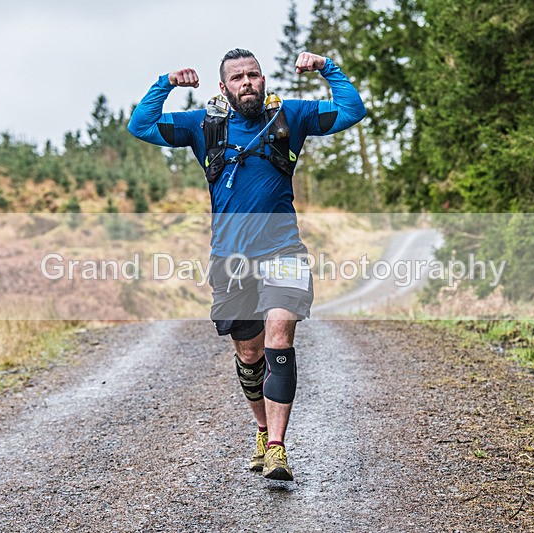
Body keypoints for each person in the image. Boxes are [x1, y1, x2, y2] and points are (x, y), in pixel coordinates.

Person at [128, 48, 365, 480]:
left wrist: (327, 67)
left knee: (278, 338)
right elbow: (140, 125)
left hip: (284, 252)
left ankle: (277, 447)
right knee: (250, 352)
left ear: (264, 80)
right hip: (231, 261)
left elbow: (352, 110)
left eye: (253, 75)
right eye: (237, 78)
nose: (247, 83)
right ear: (224, 88)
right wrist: (166, 82)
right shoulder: (204, 126)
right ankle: (261, 430)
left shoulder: (290, 117)